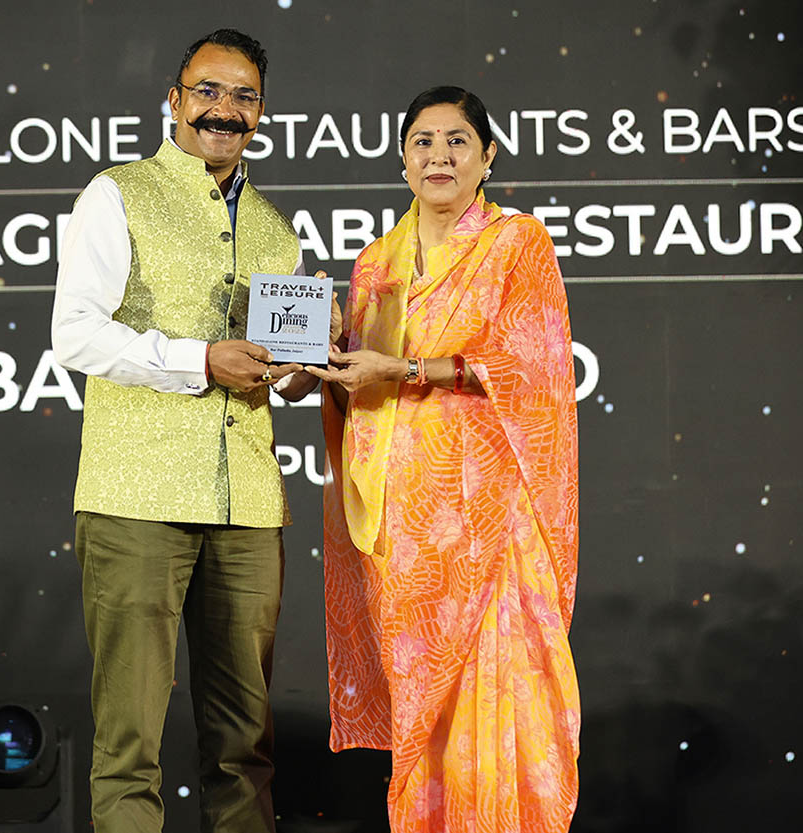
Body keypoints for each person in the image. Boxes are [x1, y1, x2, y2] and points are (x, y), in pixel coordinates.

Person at [51, 28, 321, 833]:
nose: (223, 109)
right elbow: (74, 334)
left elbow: (278, 371)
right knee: (129, 742)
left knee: (244, 746)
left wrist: (307, 367)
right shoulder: (118, 193)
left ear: (260, 113)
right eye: (207, 90)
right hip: (135, 495)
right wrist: (198, 359)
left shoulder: (274, 228)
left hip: (248, 504)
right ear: (173, 100)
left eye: (243, 96)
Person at [306, 86, 581, 832]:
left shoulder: (517, 243)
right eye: (422, 142)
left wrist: (402, 369)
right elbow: (357, 397)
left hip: (493, 523)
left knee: (505, 698)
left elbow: (529, 369)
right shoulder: (375, 267)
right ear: (401, 161)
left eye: (457, 141)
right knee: (422, 716)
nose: (439, 156)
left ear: (487, 157)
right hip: (407, 531)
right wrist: (326, 352)